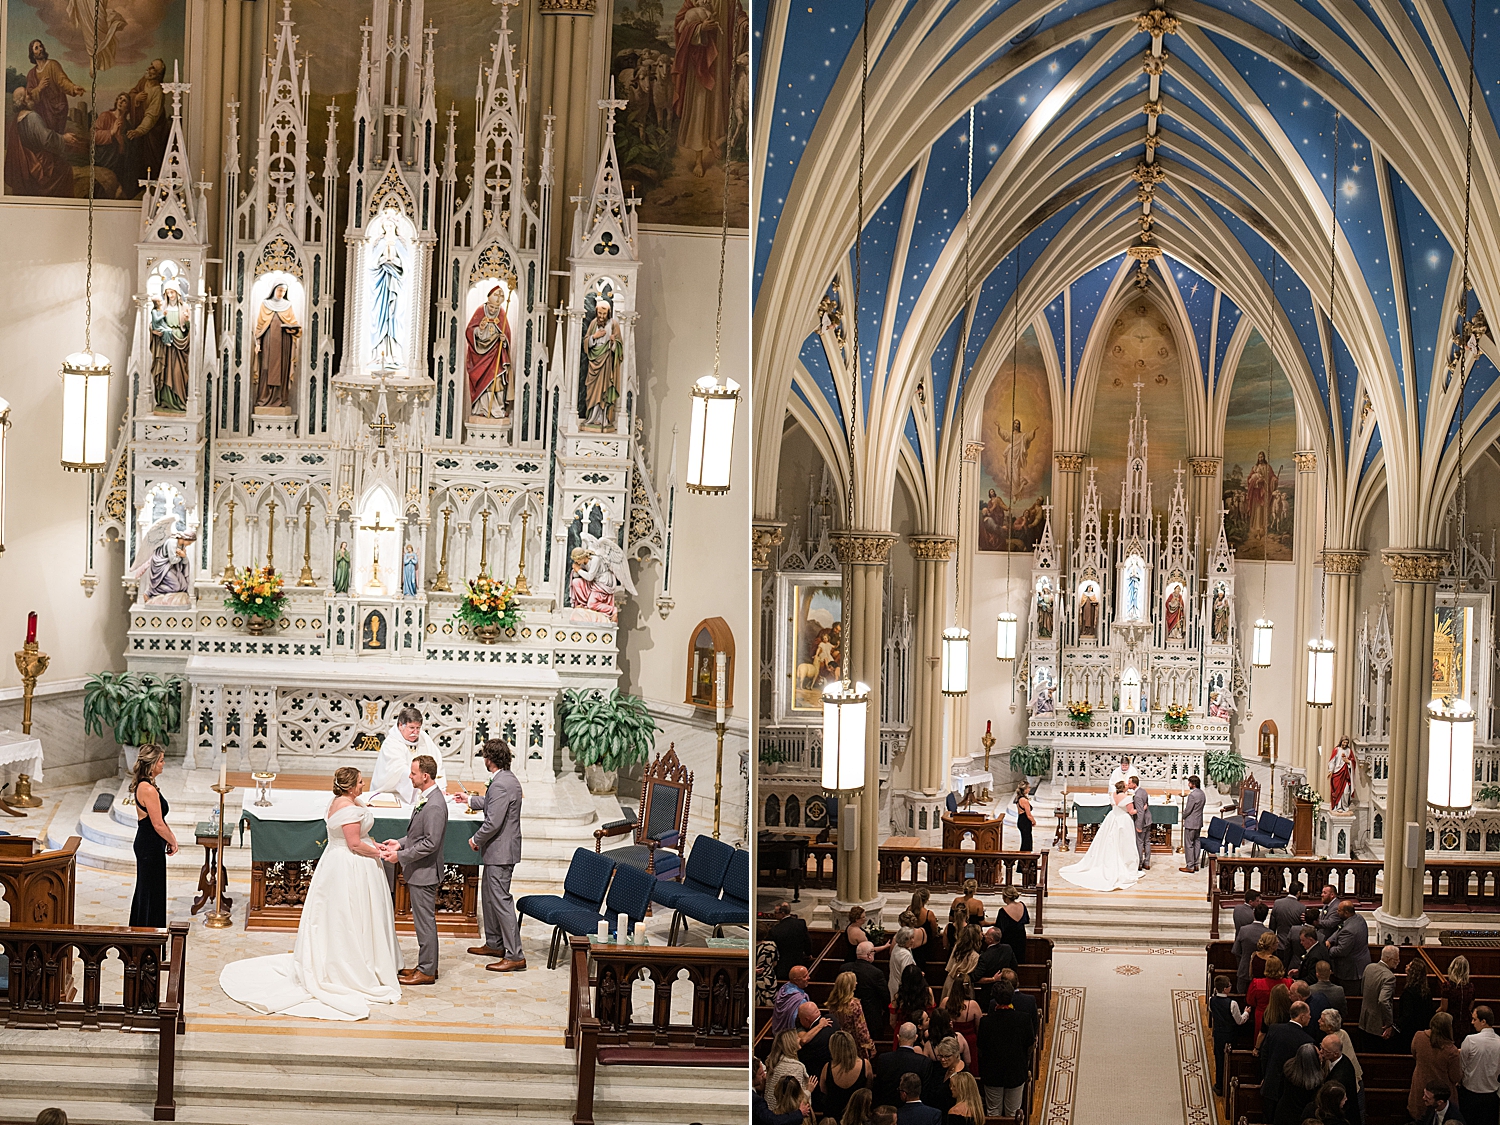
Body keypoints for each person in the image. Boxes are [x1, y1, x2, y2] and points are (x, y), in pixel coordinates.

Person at [219, 767, 401, 1019]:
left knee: (351, 914)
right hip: (349, 866)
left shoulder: (345, 800)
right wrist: (380, 853)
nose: (363, 784)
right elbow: (354, 844)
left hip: (344, 861)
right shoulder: (347, 808)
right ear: (349, 787)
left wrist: (374, 843)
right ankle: (350, 965)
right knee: (348, 915)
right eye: (360, 782)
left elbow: (362, 837)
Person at [387, 756, 448, 985]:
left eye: (413, 773)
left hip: (425, 872)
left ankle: (427, 971)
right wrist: (401, 843)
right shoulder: (428, 798)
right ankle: (427, 964)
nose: (410, 777)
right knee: (423, 922)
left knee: (425, 923)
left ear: (425, 776)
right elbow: (418, 836)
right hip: (421, 870)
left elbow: (431, 843)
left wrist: (400, 856)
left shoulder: (433, 805)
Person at [466, 738, 525, 972]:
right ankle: (494, 943)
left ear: (488, 759)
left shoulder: (501, 783)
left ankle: (515, 954)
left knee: (500, 901)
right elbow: (494, 803)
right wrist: (470, 800)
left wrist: (475, 839)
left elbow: (493, 822)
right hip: (498, 851)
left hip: (501, 851)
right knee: (489, 898)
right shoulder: (505, 779)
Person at [1059, 781, 1143, 891]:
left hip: (1112, 818)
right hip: (1123, 820)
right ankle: (1126, 866)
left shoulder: (1113, 795)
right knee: (1125, 843)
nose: (1128, 785)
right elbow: (1131, 811)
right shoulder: (1127, 798)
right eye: (1126, 785)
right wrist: (1142, 808)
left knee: (1110, 841)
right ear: (1123, 788)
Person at [128, 745, 177, 927]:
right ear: (152, 764)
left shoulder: (149, 785)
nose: (163, 764)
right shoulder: (147, 789)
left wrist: (169, 836)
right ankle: (145, 940)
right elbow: (156, 824)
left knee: (152, 891)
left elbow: (160, 819)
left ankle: (149, 939)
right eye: (161, 761)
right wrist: (172, 841)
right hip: (149, 845)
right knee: (148, 892)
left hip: (151, 843)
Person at [977, 981, 1034, 1117]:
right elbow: (1030, 1045)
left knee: (993, 1112)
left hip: (992, 1073)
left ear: (994, 999)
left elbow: (980, 1049)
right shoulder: (1024, 1019)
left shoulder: (986, 1022)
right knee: (1013, 1113)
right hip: (1016, 1071)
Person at [370, 705, 448, 803]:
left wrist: (438, 789)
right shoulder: (391, 743)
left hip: (425, 791)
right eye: (411, 728)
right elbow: (400, 771)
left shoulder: (424, 738)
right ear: (400, 726)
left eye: (418, 728)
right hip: (393, 795)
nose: (415, 732)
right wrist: (423, 788)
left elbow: (436, 762)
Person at [1260, 1000, 1316, 1120]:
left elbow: (1264, 1055)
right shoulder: (1307, 1041)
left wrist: (1266, 1075)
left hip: (1270, 1084)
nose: (1310, 1017)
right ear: (1301, 1017)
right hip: (1289, 1092)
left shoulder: (1274, 1029)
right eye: (1308, 1014)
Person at [465, 284, 513, 418]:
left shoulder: (502, 313)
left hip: (495, 356)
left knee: (496, 382)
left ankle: (497, 408)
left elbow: (507, 335)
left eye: (496, 308)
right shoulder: (480, 311)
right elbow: (469, 331)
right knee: (482, 382)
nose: (493, 310)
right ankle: (481, 408)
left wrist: (504, 339)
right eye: (491, 307)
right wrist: (479, 329)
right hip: (479, 356)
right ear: (487, 302)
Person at [253, 283, 301, 409]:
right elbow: (259, 326)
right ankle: (264, 398)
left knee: (282, 370)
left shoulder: (287, 305)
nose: (281, 293)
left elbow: (294, 324)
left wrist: (292, 329)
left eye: (284, 291)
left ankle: (281, 399)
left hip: (284, 343)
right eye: (280, 290)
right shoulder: (265, 304)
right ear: (274, 290)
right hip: (268, 341)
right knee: (266, 369)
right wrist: (258, 343)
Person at [1412, 1013, 1466, 1121]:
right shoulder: (1451, 1051)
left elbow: (1414, 1054)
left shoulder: (1419, 1037)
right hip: (1440, 1096)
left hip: (1420, 1089)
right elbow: (1455, 1077)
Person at [839, 940, 891, 1041]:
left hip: (846, 1014)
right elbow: (885, 995)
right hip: (870, 1017)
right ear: (869, 955)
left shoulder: (844, 968)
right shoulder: (876, 973)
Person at [873, 1023, 934, 1107]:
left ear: (898, 1037)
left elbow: (878, 1090)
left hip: (888, 1111)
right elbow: (925, 1093)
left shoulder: (883, 1059)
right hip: (913, 1113)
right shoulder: (924, 1062)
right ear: (915, 1038)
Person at [1459, 1004, 1500, 1125]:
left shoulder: (1470, 1040)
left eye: (1474, 1019)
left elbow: (1461, 1066)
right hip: (1491, 1096)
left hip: (1470, 1095)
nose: (1472, 1022)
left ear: (1483, 1021)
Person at [818, 1030, 871, 1120]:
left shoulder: (827, 1068)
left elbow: (823, 1090)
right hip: (857, 1116)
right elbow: (868, 1089)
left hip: (833, 1116)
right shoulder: (865, 1065)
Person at [1358, 946, 1399, 1050]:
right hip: (1379, 1026)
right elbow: (1383, 1000)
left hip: (1364, 1021)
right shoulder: (1389, 977)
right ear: (1389, 959)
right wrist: (1389, 1023)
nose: (1398, 962)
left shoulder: (1369, 967)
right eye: (1396, 960)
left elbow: (1362, 989)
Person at [1273, 1042, 1324, 1125]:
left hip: (1283, 1112)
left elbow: (1280, 1090)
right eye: (1318, 1055)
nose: (1321, 1055)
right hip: (1301, 1117)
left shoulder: (1288, 1069)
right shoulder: (1315, 1081)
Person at [829, 971, 877, 1060]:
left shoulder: (833, 1003)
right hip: (853, 1044)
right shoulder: (854, 1004)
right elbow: (861, 1028)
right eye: (854, 981)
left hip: (838, 1042)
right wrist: (870, 1045)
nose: (856, 983)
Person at [1328, 901, 1371, 996]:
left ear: (1346, 913)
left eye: (1339, 911)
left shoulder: (1349, 931)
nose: (1336, 912)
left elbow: (1340, 951)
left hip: (1350, 971)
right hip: (1361, 963)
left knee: (1349, 997)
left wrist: (1328, 949)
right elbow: (1340, 929)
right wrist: (1330, 940)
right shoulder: (1358, 918)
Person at [971, 925, 1018, 1008]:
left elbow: (975, 978)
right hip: (1007, 990)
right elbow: (1014, 967)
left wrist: (993, 979)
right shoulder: (1008, 948)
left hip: (989, 993)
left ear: (990, 940)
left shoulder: (985, 957)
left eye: (987, 935)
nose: (984, 935)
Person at [1398, 959, 1441, 1052]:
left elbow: (1407, 1014)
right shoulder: (1426, 992)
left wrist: (1397, 1026)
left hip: (1409, 1032)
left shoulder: (1408, 992)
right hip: (1422, 1030)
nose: (1406, 966)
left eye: (1409, 965)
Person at [1208, 974, 1250, 1069]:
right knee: (1229, 1059)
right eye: (1229, 985)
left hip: (1218, 1033)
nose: (1231, 987)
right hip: (1229, 1034)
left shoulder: (1211, 1000)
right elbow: (1239, 1021)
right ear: (1225, 989)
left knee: (1219, 1058)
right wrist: (1246, 1013)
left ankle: (1219, 1082)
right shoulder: (1232, 1003)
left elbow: (1211, 1011)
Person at [1319, 1035, 1362, 1125]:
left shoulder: (1339, 1078)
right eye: (1321, 1047)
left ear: (1335, 1054)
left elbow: (1333, 1104)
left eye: (1324, 1050)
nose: (1320, 1052)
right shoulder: (1343, 1058)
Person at [890, 964, 933, 1049]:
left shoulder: (899, 996)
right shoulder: (927, 992)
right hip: (922, 1030)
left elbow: (892, 1021)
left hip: (903, 1031)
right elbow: (931, 1014)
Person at [1247, 962, 1293, 1039]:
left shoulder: (1257, 983)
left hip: (1262, 1015)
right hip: (1282, 1016)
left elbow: (1250, 1001)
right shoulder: (1288, 983)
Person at [754, 1058, 806, 1125]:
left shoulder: (775, 1115)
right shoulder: (805, 1110)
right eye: (761, 1073)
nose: (764, 1076)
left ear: (778, 1093)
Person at [1234, 902, 1272, 991]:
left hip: (1244, 969)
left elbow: (1236, 950)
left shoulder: (1244, 930)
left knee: (1242, 997)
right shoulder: (1269, 933)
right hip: (1262, 972)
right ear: (1266, 917)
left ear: (1253, 914)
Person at [772, 900, 814, 980]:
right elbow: (807, 941)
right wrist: (809, 953)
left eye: (776, 913)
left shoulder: (775, 930)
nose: (774, 915)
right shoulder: (800, 923)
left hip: (782, 966)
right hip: (798, 963)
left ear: (783, 913)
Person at [941, 924, 981, 1003]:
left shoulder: (957, 947)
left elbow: (949, 966)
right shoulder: (975, 956)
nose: (982, 934)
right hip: (963, 985)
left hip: (950, 980)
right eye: (980, 932)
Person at [767, 1028, 811, 1096]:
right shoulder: (795, 1068)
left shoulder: (774, 1063)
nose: (800, 1039)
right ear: (791, 1043)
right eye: (797, 1038)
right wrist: (808, 1090)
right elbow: (795, 1096)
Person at [773, 966, 812, 1035]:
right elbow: (796, 1023)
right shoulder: (800, 1000)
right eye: (805, 976)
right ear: (796, 980)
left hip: (778, 1035)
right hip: (791, 1037)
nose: (808, 978)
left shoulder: (784, 988)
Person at [995, 886, 1029, 966]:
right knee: (1019, 959)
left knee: (1008, 962)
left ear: (1005, 897)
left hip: (1008, 939)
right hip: (1021, 937)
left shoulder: (1003, 911)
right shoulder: (1022, 905)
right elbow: (1026, 920)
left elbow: (999, 928)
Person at [1127, 775, 1154, 870]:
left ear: (1134, 784)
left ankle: (1139, 863)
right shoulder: (1143, 791)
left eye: (1129, 783)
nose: (1128, 784)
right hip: (1148, 820)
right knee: (1147, 842)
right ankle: (1147, 862)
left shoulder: (1137, 796)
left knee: (1140, 842)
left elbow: (1140, 812)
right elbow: (1146, 805)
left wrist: (1139, 825)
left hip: (1142, 821)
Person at [1180, 775, 1206, 872]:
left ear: (1193, 784)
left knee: (1189, 844)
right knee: (1197, 842)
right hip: (1198, 822)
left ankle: (1190, 866)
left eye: (1189, 783)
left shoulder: (1192, 795)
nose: (1188, 784)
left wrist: (1183, 816)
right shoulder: (1202, 793)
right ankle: (1196, 864)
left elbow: (1188, 810)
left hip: (1191, 822)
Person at [1270, 882, 1305, 952]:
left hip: (1279, 944)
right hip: (1293, 945)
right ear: (1298, 893)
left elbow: (1272, 926)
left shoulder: (1277, 903)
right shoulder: (1302, 907)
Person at [1451, 957, 1477, 1047]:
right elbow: (1470, 1007)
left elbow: (1444, 1007)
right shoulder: (1471, 987)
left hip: (1452, 1020)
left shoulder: (1448, 986)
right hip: (1466, 1021)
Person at [887, 928, 917, 1001]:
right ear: (903, 940)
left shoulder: (897, 947)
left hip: (893, 984)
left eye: (913, 937)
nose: (913, 940)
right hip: (901, 988)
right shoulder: (905, 954)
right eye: (910, 939)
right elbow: (906, 974)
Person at [1015, 782, 1036, 852]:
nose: (1029, 789)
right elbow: (1028, 815)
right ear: (1025, 789)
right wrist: (1034, 821)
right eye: (1028, 787)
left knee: (1025, 841)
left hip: (1021, 820)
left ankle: (1024, 861)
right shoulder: (1024, 800)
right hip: (1025, 822)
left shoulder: (1018, 798)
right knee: (1027, 842)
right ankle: (1025, 861)